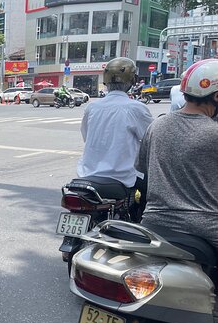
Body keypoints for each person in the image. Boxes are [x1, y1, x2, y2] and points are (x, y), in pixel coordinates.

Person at [136, 59, 218, 254]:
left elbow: (144, 171)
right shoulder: (214, 132)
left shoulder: (157, 125)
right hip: (206, 228)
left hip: (153, 223)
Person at [77, 57, 153, 189]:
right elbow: (152, 140)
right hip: (123, 178)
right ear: (133, 80)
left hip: (87, 173)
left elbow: (86, 135)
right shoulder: (135, 108)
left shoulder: (92, 107)